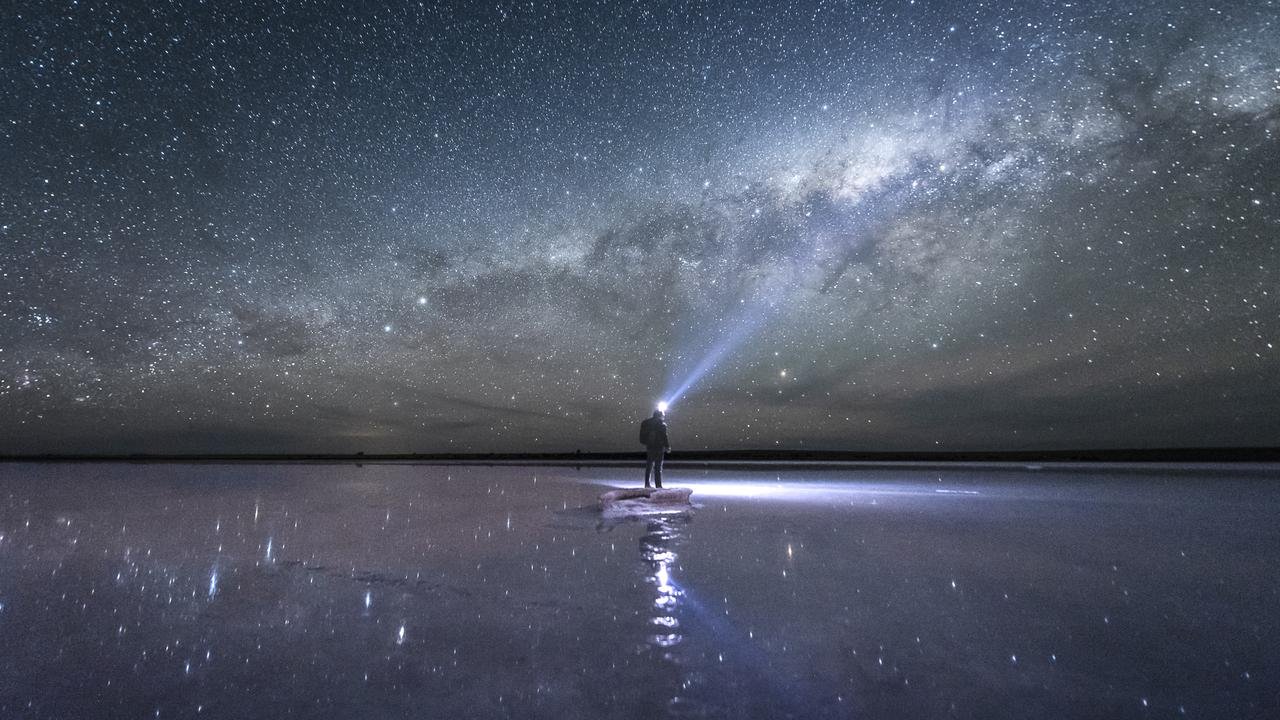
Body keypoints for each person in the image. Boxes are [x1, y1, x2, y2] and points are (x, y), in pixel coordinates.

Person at [639, 408, 670, 488]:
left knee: (649, 465)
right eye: (663, 415)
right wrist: (667, 446)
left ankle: (647, 484)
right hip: (659, 447)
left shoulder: (646, 423)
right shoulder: (662, 424)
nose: (664, 417)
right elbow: (664, 436)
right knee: (658, 467)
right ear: (660, 415)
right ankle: (658, 485)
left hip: (650, 446)